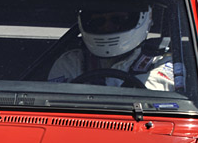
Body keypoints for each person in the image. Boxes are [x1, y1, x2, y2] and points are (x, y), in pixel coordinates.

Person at [48, 5, 176, 91]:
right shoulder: (72, 62)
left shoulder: (160, 62)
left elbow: (156, 99)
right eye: (99, 22)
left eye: (118, 20)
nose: (107, 27)